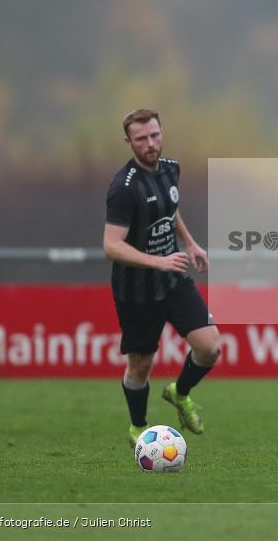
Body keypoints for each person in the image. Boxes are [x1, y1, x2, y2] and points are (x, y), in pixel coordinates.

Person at [103, 109, 221, 447]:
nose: (150, 143)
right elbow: (111, 246)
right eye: (141, 139)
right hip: (136, 291)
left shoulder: (171, 168)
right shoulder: (123, 189)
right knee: (140, 366)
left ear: (161, 133)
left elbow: (169, 209)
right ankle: (138, 428)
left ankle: (180, 393)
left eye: (154, 135)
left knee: (210, 346)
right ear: (129, 142)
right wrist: (157, 261)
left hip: (173, 279)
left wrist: (191, 243)